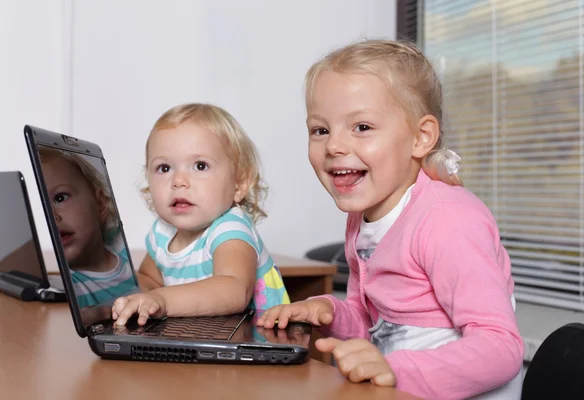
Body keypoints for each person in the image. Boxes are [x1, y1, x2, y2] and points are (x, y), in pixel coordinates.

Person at [257, 39, 524, 399]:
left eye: (361, 127)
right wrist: (329, 311)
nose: (334, 145)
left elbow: (501, 348)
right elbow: (372, 322)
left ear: (421, 137)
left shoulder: (447, 220)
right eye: (321, 130)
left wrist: (393, 370)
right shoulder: (363, 217)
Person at [112, 103, 290, 326]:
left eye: (200, 166)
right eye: (164, 168)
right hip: (207, 334)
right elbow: (149, 280)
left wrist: (162, 300)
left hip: (258, 341)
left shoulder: (230, 229)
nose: (178, 181)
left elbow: (233, 290)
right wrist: (123, 289)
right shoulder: (163, 233)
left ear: (239, 184)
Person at [40, 147, 135, 308]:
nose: (52, 216)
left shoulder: (123, 246)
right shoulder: (71, 287)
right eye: (41, 207)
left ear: (99, 202)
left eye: (60, 197)